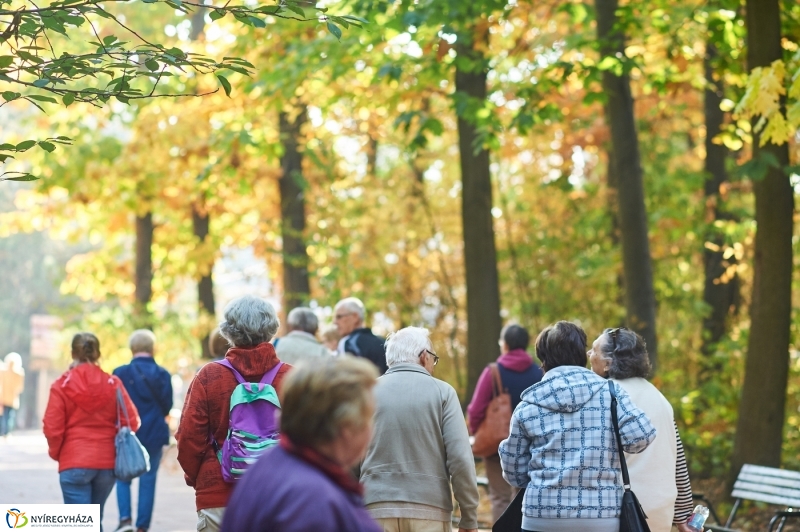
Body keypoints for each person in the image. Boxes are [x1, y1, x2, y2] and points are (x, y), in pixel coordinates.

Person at [499, 321, 657, 532]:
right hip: (601, 517)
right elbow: (641, 436)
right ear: (582, 353)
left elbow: (514, 475)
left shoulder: (528, 405)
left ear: (543, 359)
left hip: (541, 517)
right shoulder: (610, 393)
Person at [221, 356, 382, 532]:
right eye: (368, 418)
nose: (371, 429)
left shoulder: (268, 467)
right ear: (347, 427)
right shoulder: (314, 501)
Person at [176, 295, 292, 532]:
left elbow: (189, 438)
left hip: (219, 496)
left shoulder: (209, 376)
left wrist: (200, 478)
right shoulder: (292, 378)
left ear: (228, 331)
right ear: (272, 328)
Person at [359, 326, 479, 532]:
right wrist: (469, 517)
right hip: (430, 511)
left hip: (375, 509)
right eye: (434, 358)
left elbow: (350, 456)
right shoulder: (443, 393)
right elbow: (460, 458)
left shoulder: (366, 392)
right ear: (424, 356)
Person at [588, 327, 694, 532]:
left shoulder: (604, 396)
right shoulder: (659, 398)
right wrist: (683, 516)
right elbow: (677, 460)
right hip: (660, 513)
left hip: (624, 513)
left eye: (594, 350)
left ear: (608, 363)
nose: (589, 354)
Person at [43, 333, 140, 532]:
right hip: (106, 464)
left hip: (74, 461)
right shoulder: (113, 384)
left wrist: (58, 453)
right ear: (98, 354)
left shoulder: (61, 385)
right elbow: (132, 421)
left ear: (72, 354)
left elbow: (52, 428)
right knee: (93, 521)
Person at [466, 324, 543, 522]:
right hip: (531, 446)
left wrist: (476, 432)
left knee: (500, 498)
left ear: (505, 344)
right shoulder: (538, 373)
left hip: (497, 446)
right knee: (523, 498)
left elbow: (476, 409)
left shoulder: (493, 372)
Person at [112, 330, 174, 532]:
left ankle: (125, 520)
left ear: (132, 349)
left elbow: (114, 405)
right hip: (154, 433)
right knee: (148, 480)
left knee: (123, 477)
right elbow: (167, 406)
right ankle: (142, 527)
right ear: (153, 349)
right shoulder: (163, 374)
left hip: (127, 434)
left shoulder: (120, 373)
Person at [334, 297, 387, 374]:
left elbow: (345, 377)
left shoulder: (347, 343)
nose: (335, 322)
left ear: (355, 317)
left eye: (339, 317)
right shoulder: (383, 342)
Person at [0, 352, 25, 437]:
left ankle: (4, 432)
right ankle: (6, 432)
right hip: (12, 398)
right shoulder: (19, 372)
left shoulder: (4, 371)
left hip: (4, 397)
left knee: (4, 416)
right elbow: (20, 387)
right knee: (9, 416)